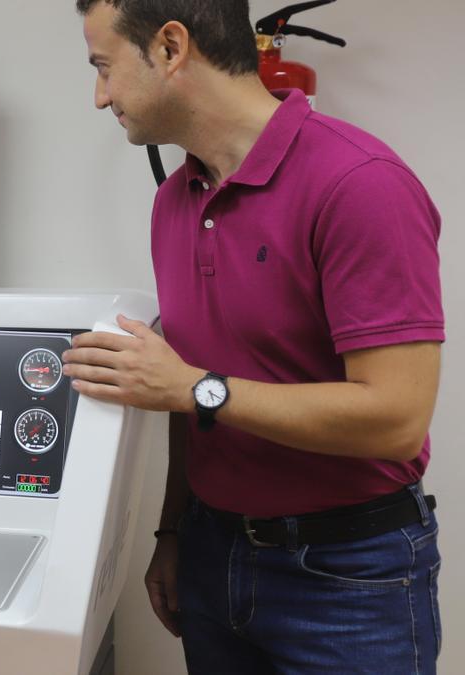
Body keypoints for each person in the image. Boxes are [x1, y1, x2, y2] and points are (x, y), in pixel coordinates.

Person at [69, 1, 443, 673]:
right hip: (213, 556)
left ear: (172, 47)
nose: (100, 98)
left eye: (104, 68)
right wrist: (171, 529)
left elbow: (396, 419)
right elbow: (188, 391)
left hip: (347, 577)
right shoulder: (174, 200)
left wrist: (193, 387)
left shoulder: (360, 184)